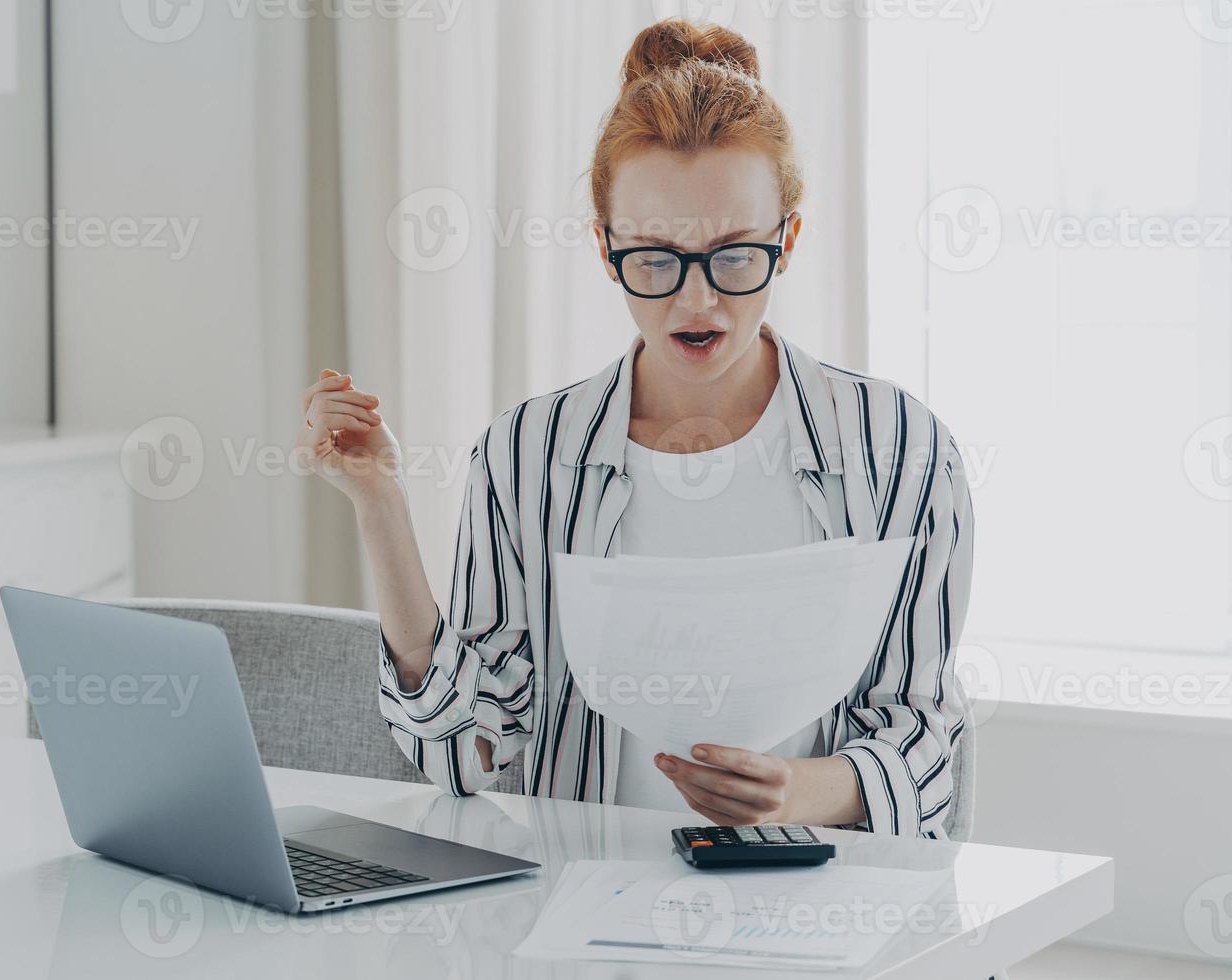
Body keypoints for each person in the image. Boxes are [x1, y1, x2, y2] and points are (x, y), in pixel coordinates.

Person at [295, 19, 974, 838]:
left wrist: (792, 793)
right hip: (581, 918)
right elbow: (463, 754)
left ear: (787, 240)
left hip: (812, 915)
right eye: (654, 257)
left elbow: (924, 738)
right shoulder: (527, 454)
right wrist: (380, 507)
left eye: (734, 255)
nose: (696, 301)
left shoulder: (899, 449)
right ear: (604, 247)